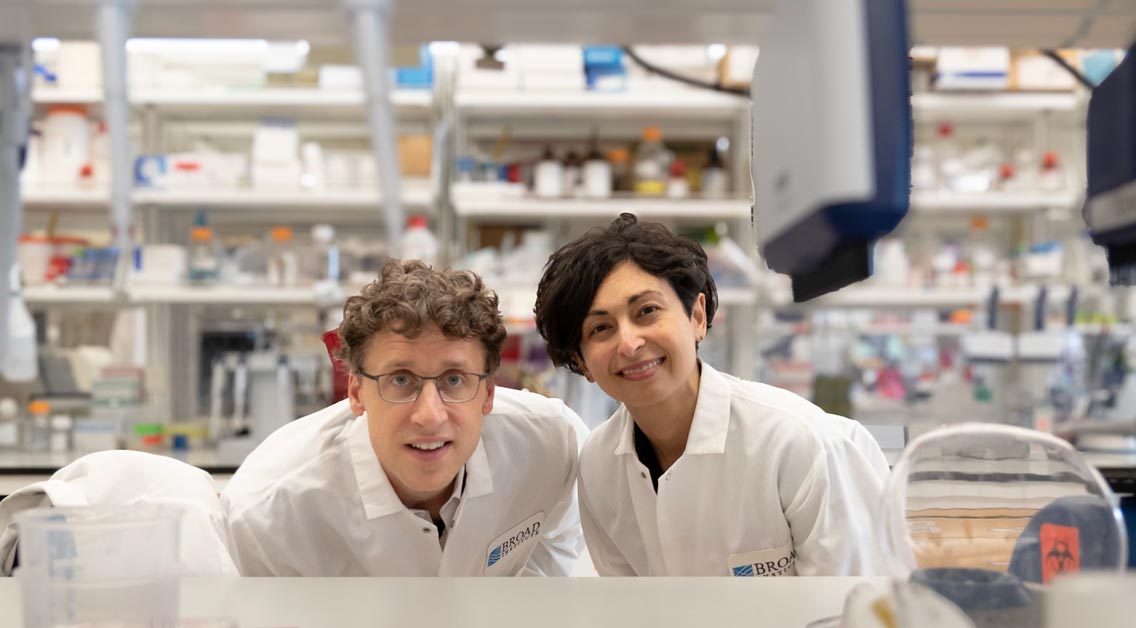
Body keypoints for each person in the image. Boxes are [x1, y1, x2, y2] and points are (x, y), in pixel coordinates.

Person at [533, 213, 890, 576]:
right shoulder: (598, 465)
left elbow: (859, 605)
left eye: (647, 311)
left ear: (697, 317)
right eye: (601, 328)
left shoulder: (797, 442)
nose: (629, 343)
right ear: (583, 362)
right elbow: (633, 608)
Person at [222, 259, 588, 576]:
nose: (429, 415)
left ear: (488, 393)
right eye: (400, 380)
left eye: (454, 380)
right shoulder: (267, 513)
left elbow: (557, 540)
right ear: (356, 392)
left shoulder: (551, 444)